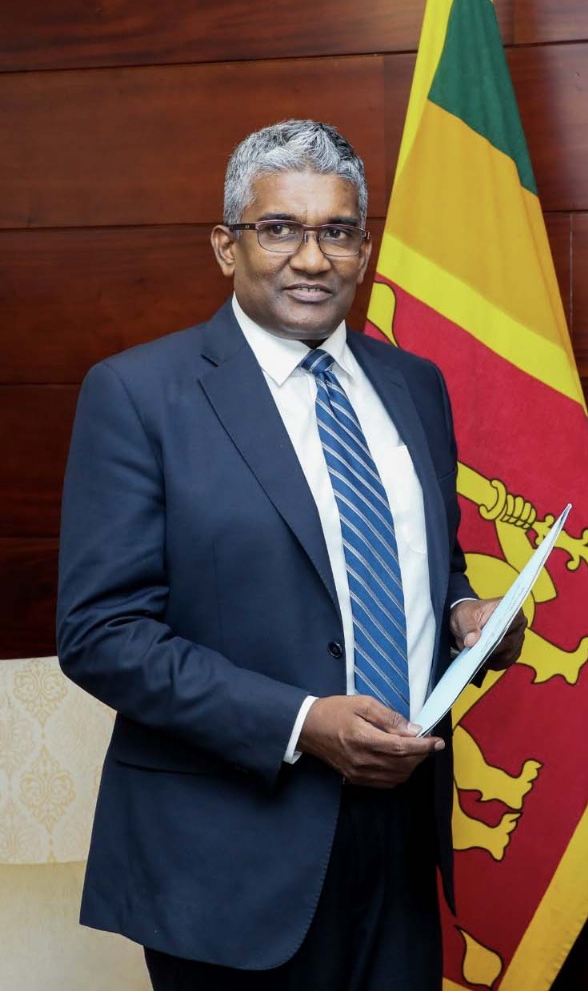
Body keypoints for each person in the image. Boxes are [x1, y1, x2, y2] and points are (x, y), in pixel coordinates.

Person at [57, 119, 524, 990]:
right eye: (280, 229)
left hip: (399, 835)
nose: (312, 258)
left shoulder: (415, 385)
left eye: (337, 231)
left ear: (364, 250)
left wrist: (467, 613)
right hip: (230, 857)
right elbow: (101, 633)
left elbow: (432, 563)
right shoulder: (138, 394)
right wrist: (303, 722)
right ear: (225, 246)